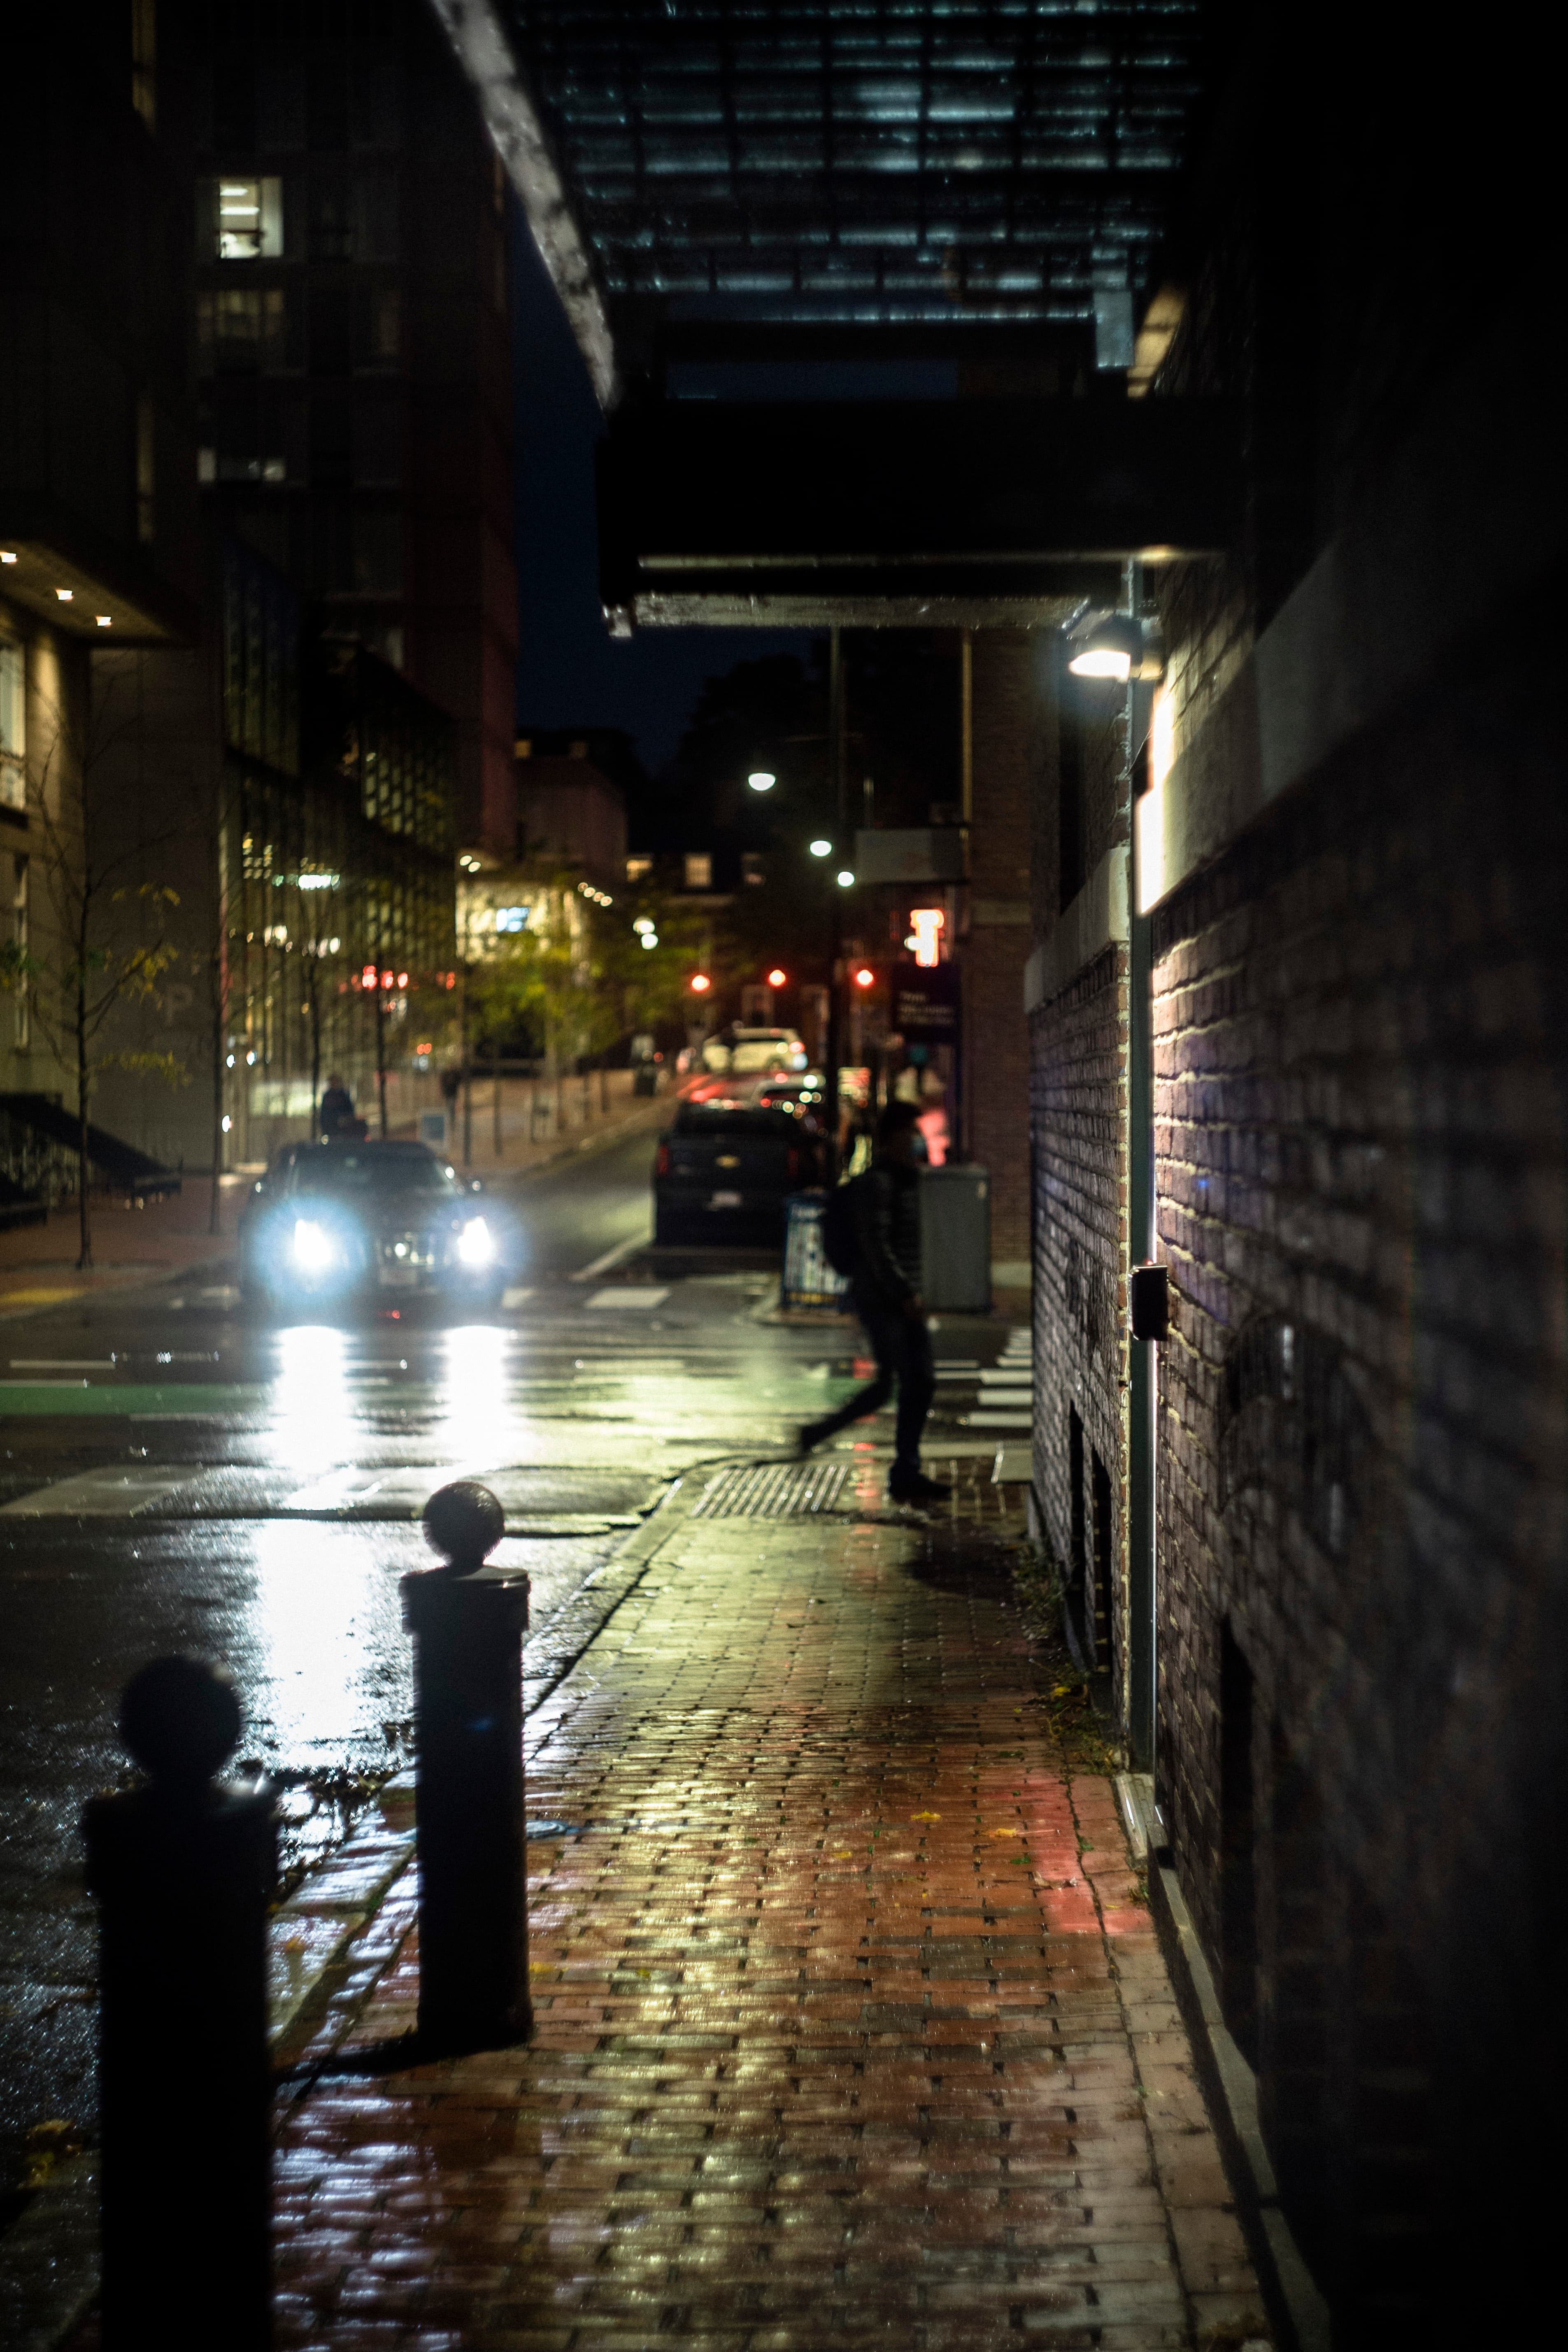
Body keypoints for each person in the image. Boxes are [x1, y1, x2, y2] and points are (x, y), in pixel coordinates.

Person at [798, 1099, 951, 1505]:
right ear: (892, 1138)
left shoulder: (903, 1179)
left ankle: (827, 1438)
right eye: (910, 1133)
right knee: (913, 1381)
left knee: (904, 1382)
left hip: (894, 1297)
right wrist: (904, 1293)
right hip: (884, 1298)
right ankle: (903, 1472)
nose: (917, 1140)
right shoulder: (879, 1184)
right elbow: (877, 1246)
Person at [318, 1071, 356, 1139]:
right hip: (330, 1130)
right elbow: (323, 1114)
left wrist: (345, 1120)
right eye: (332, 1082)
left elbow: (350, 1112)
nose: (334, 1084)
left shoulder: (344, 1096)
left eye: (336, 1082)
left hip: (344, 1131)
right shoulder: (327, 1097)